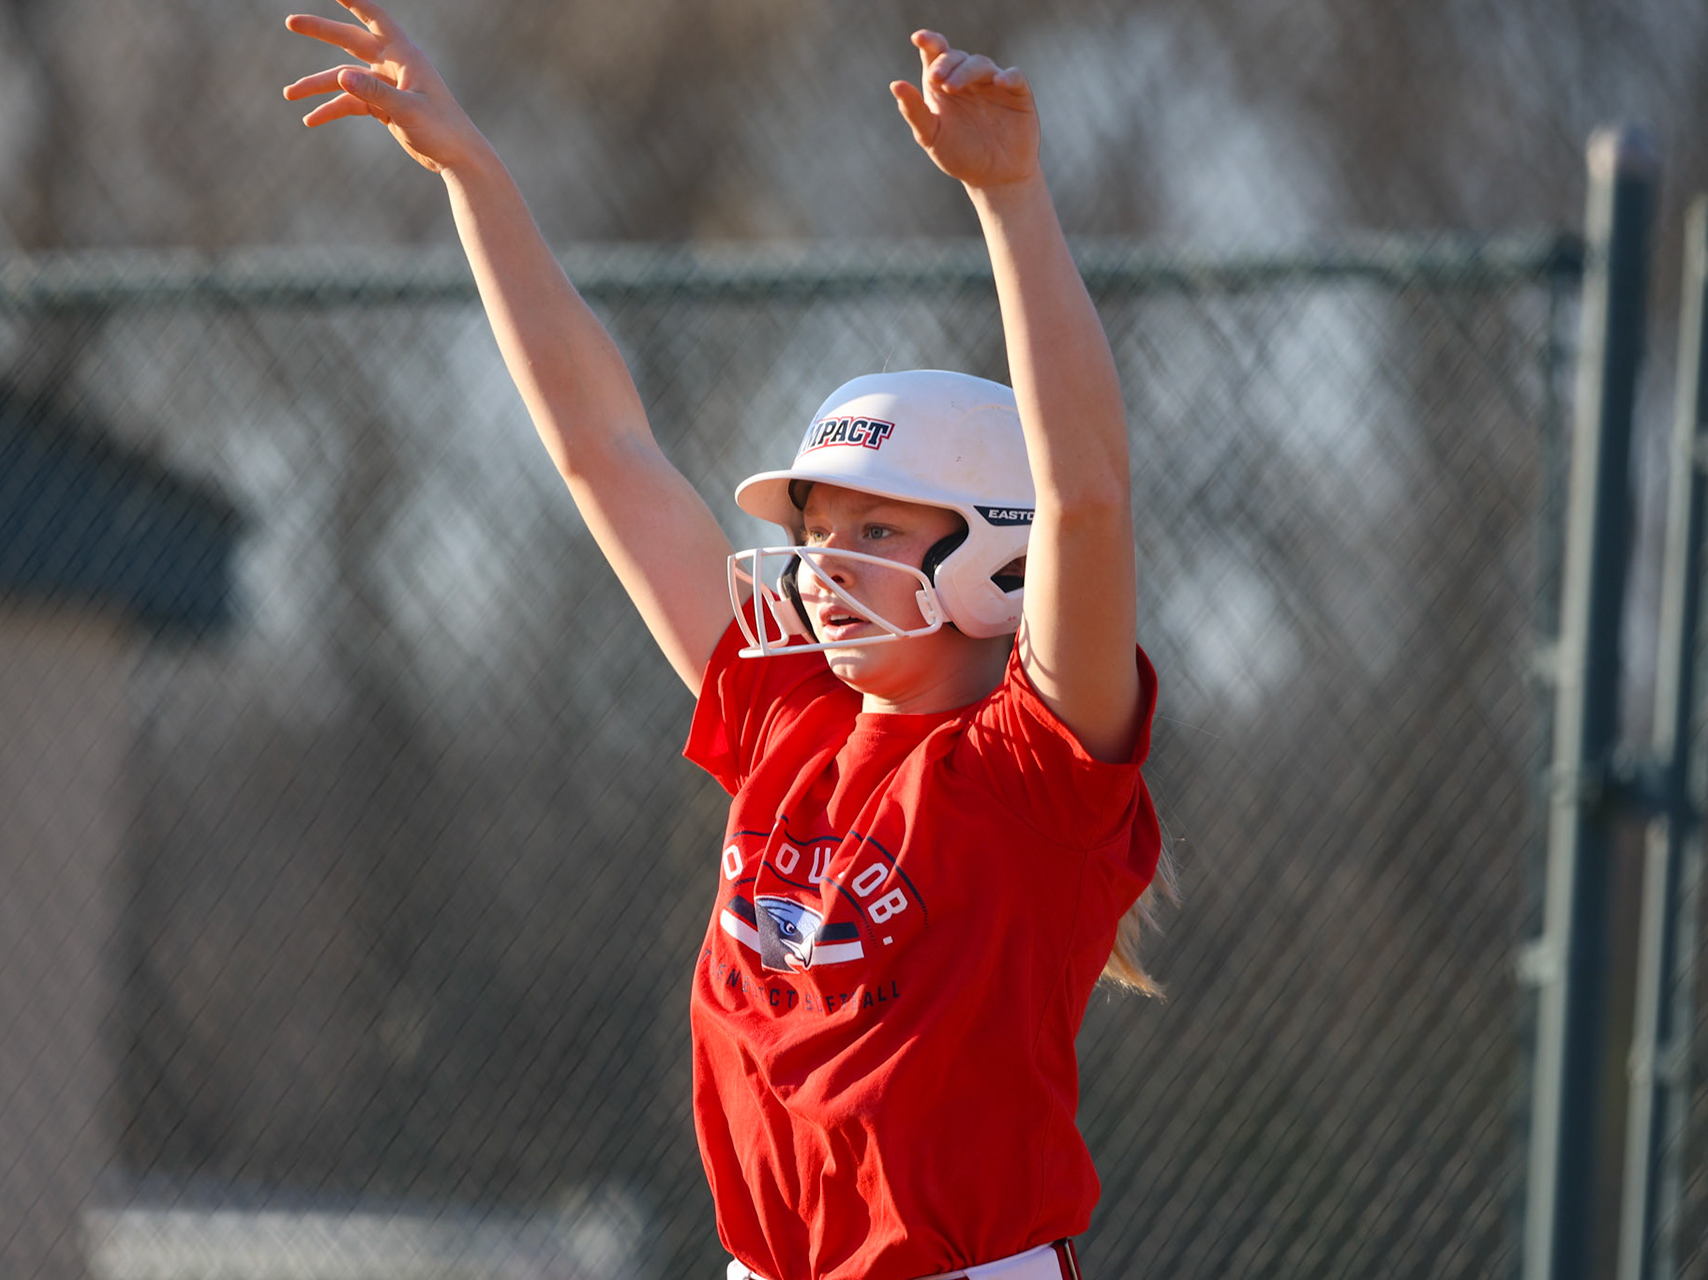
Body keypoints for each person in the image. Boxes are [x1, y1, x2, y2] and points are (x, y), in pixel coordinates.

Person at [284, 7, 1171, 1278]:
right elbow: (606, 449)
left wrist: (1012, 202)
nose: (822, 558)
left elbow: (1087, 490)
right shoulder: (789, 720)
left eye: (874, 524)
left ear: (1000, 556)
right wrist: (475, 175)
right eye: (817, 526)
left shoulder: (1032, 772)